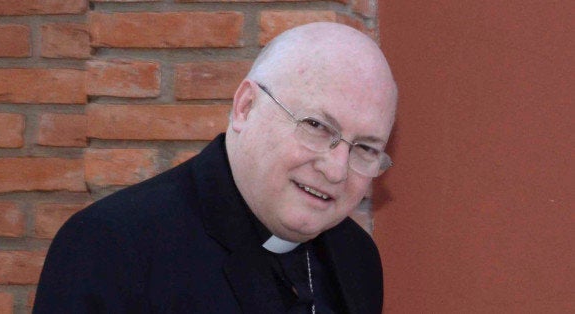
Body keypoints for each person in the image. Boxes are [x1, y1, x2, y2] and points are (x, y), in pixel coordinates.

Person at [34, 22, 397, 314]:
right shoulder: (112, 247)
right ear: (245, 107)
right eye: (316, 126)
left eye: (364, 148)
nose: (335, 170)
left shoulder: (357, 258)